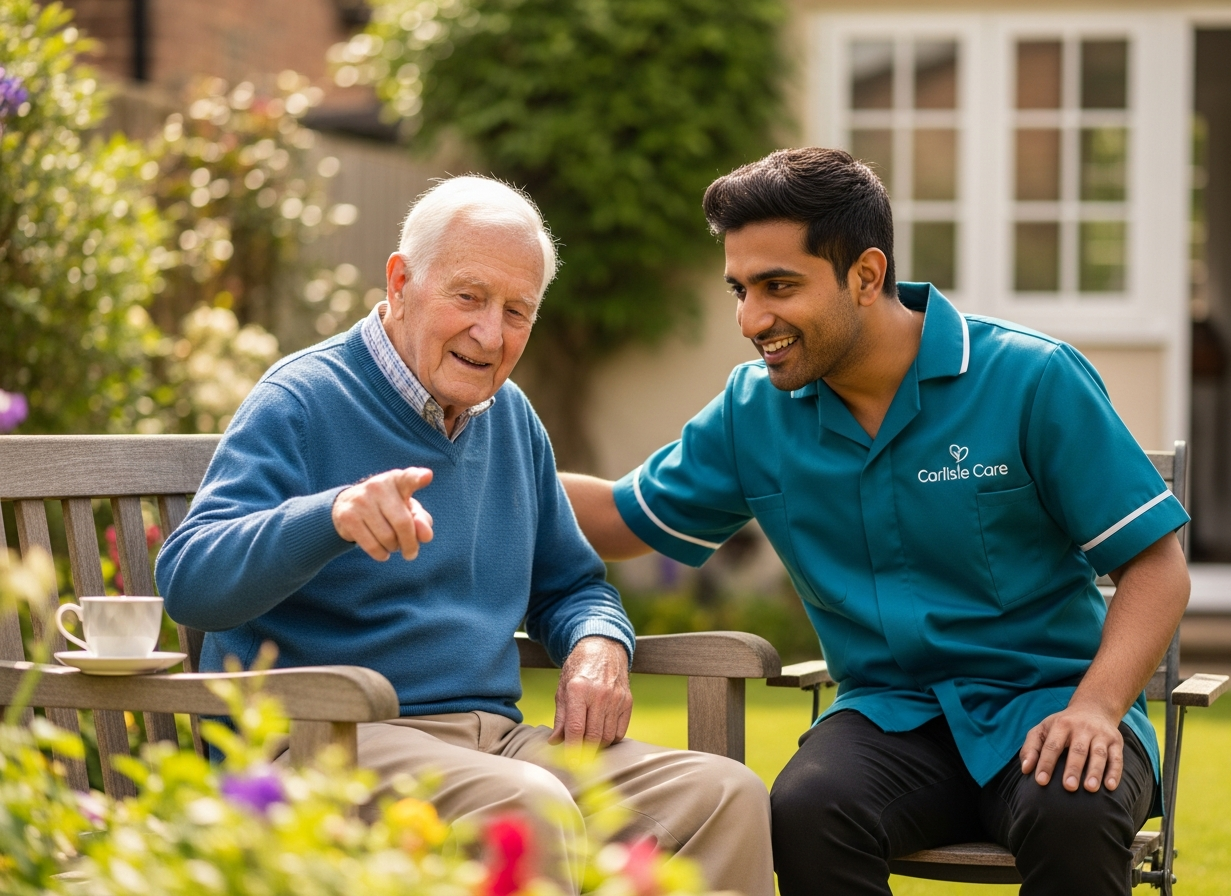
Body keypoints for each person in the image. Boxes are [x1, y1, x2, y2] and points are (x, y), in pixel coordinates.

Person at [561, 148, 1192, 896]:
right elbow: (620, 517)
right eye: (739, 289)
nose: (750, 319)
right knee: (806, 809)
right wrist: (476, 456)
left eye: (778, 286)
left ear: (865, 275)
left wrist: (1096, 709)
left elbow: (1156, 567)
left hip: (1053, 702)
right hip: (889, 719)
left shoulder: (1030, 377)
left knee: (1073, 809)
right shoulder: (753, 412)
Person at [156, 176, 773, 896]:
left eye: (518, 311)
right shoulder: (301, 400)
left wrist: (600, 643)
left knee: (724, 796)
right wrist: (329, 517)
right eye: (468, 297)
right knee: (528, 806)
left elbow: (572, 585)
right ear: (401, 281)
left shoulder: (511, 419)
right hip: (328, 741)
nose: (491, 333)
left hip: (493, 741)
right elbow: (190, 581)